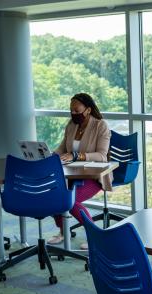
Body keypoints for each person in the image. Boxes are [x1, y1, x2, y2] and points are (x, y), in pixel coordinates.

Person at [48, 93, 111, 249]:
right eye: (71, 111)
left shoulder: (100, 125)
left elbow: (102, 156)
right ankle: (64, 232)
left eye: (77, 110)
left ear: (88, 110)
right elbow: (62, 148)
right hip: (70, 174)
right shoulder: (71, 125)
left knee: (70, 200)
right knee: (54, 194)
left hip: (93, 176)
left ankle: (95, 236)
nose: (73, 114)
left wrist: (78, 155)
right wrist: (48, 157)